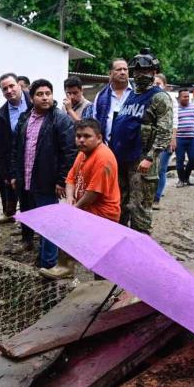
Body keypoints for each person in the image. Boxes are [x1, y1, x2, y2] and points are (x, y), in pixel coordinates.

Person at [40, 118, 121, 279]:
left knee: (101, 258)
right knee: (65, 227)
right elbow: (70, 178)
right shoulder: (82, 153)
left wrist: (74, 209)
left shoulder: (103, 158)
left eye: (87, 136)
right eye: (78, 136)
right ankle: (66, 266)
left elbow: (93, 193)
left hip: (103, 213)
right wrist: (70, 200)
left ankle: (102, 286)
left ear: (99, 138)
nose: (81, 140)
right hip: (84, 205)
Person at [12, 79, 76, 268]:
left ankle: (48, 263)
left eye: (48, 93)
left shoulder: (60, 119)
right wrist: (16, 174)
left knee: (49, 222)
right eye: (40, 94)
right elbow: (17, 149)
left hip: (48, 181)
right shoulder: (25, 118)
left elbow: (69, 151)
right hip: (28, 179)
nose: (45, 97)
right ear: (31, 98)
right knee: (38, 221)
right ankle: (42, 257)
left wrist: (61, 180)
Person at [108, 48, 172, 235]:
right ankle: (121, 243)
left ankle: (141, 251)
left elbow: (164, 131)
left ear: (153, 72)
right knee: (121, 204)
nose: (140, 75)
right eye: (136, 71)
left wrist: (150, 157)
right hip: (123, 159)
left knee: (140, 207)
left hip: (142, 161)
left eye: (145, 71)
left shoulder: (159, 97)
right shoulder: (131, 94)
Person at [0, 73, 32, 230]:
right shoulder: (1, 115)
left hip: (40, 158)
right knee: (23, 199)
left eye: (11, 86)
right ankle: (27, 235)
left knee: (41, 199)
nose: (9, 90)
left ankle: (45, 237)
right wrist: (7, 174)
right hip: (18, 162)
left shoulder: (34, 100)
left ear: (19, 85)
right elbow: (3, 148)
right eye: (5, 89)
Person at [82, 58, 133, 144]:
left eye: (125, 69)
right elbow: (95, 124)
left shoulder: (136, 93)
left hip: (131, 149)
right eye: (119, 69)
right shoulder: (101, 96)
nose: (123, 72)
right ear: (110, 73)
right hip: (106, 148)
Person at [153, 73, 177, 209]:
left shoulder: (171, 99)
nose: (156, 86)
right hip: (151, 140)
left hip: (165, 139)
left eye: (158, 84)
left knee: (161, 169)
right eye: (154, 83)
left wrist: (172, 138)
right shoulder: (149, 98)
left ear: (164, 85)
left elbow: (175, 119)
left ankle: (156, 198)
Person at [173, 88, 194, 187]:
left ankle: (186, 177)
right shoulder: (175, 109)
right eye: (184, 97)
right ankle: (181, 180)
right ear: (179, 98)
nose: (187, 98)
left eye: (188, 96)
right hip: (179, 138)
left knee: (193, 158)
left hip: (192, 138)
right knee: (180, 160)